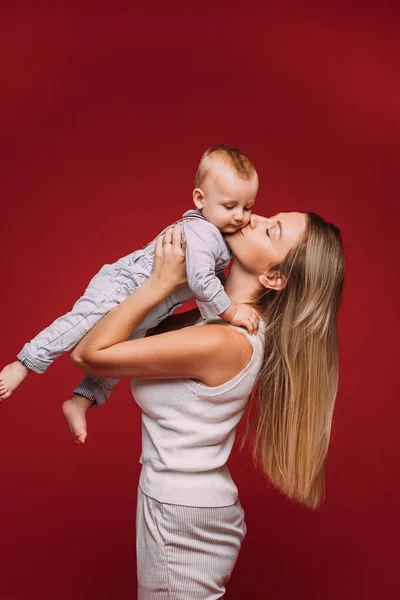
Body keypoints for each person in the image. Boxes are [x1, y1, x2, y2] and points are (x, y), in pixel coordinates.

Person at [66, 211, 344, 599]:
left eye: (271, 230)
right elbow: (128, 331)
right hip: (178, 502)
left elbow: (89, 353)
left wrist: (158, 284)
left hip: (180, 513)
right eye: (268, 215)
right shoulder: (212, 318)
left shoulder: (226, 342)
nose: (252, 217)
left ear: (274, 278)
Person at [0, 145, 259, 410]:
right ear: (200, 199)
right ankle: (24, 363)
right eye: (230, 206)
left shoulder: (218, 236)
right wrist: (230, 311)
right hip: (125, 285)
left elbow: (212, 280)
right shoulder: (204, 232)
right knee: (79, 324)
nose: (240, 216)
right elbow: (202, 281)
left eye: (248, 206)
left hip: (154, 303)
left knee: (119, 352)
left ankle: (83, 399)